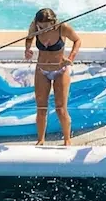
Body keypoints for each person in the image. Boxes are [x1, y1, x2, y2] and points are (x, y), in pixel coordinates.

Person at [24, 8, 81, 145]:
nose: (43, 30)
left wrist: (71, 57)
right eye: (41, 27)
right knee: (41, 107)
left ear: (53, 22)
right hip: (42, 70)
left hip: (60, 70)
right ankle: (40, 140)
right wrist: (27, 49)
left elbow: (77, 40)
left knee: (60, 108)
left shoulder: (63, 28)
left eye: (47, 27)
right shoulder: (34, 27)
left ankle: (67, 140)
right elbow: (29, 39)